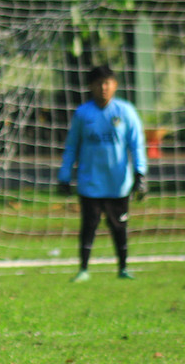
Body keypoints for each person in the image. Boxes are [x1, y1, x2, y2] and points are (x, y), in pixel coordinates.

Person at [58, 65, 147, 282]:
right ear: (91, 86)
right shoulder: (83, 114)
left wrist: (140, 174)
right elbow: (72, 146)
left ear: (115, 85)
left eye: (108, 83)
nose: (104, 87)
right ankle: (84, 269)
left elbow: (137, 144)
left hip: (118, 183)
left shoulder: (125, 111)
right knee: (88, 226)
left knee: (120, 227)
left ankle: (123, 267)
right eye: (99, 83)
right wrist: (64, 175)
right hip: (90, 182)